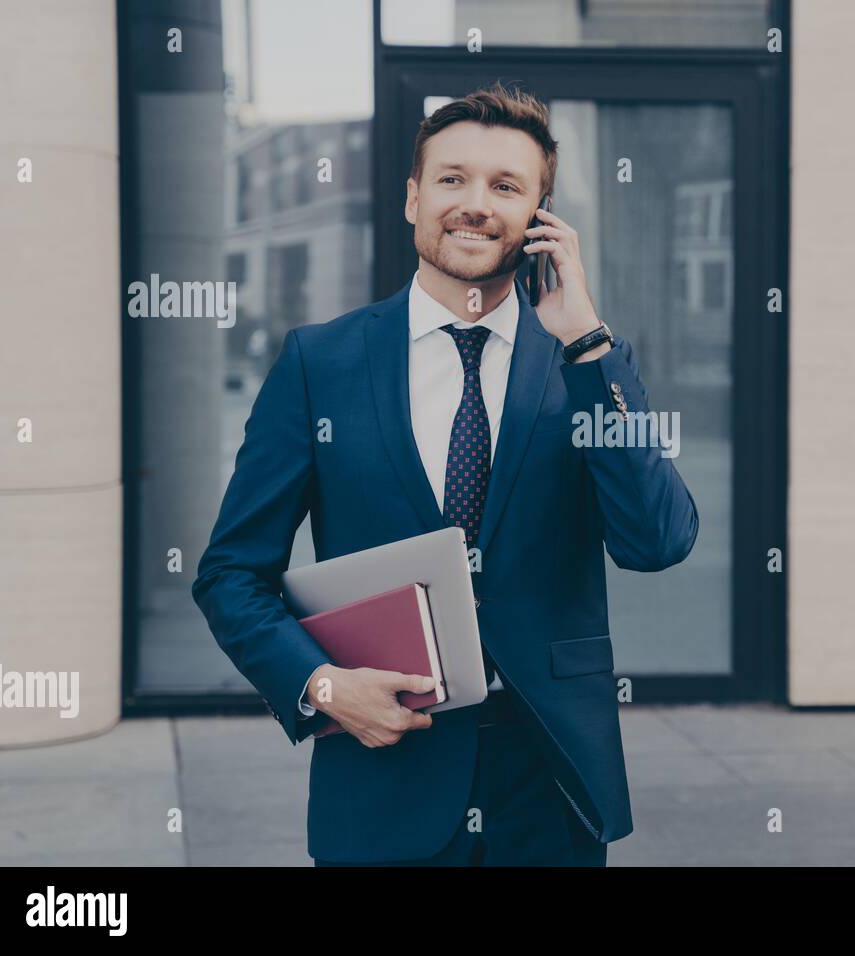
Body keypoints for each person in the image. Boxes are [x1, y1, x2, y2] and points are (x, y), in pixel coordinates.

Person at [191, 81, 699, 866]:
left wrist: (589, 345)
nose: (475, 204)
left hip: (551, 784)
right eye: (452, 179)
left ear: (539, 219)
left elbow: (657, 540)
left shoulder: (589, 364)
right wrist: (322, 685)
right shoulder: (318, 365)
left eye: (506, 186)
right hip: (382, 778)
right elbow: (230, 574)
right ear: (412, 198)